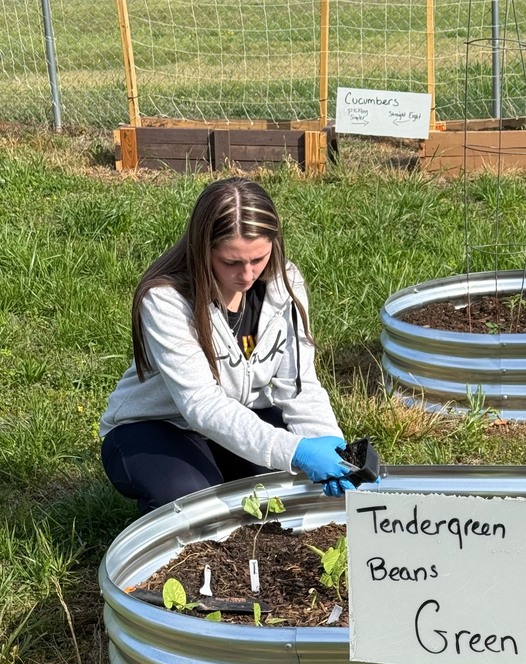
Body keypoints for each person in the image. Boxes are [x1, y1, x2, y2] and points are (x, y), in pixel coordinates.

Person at [100, 176, 358, 516]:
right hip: (159, 425)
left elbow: (299, 387)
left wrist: (327, 442)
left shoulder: (286, 283)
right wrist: (297, 451)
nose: (248, 275)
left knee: (284, 496)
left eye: (259, 259)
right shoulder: (166, 300)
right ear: (202, 249)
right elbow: (201, 406)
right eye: (231, 262)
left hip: (243, 412)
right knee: (192, 500)